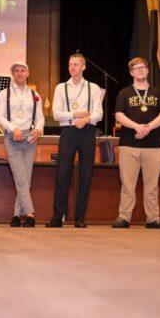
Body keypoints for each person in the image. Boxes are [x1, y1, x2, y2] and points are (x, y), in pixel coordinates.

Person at [46, 53, 104, 228]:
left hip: (88, 132)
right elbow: (56, 114)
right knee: (62, 174)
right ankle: (57, 217)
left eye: (76, 64)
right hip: (68, 132)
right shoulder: (61, 88)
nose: (72, 67)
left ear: (83, 67)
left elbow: (99, 113)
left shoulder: (94, 88)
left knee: (85, 174)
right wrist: (75, 115)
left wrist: (86, 120)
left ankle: (80, 218)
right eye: (70, 64)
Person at [113, 57, 160, 229]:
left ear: (147, 70)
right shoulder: (124, 93)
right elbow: (119, 115)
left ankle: (153, 219)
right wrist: (137, 127)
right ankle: (124, 217)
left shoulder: (158, 93)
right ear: (131, 72)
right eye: (136, 68)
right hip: (129, 145)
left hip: (153, 145)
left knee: (152, 185)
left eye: (142, 67)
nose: (140, 70)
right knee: (127, 184)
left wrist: (148, 128)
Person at [0, 62, 45, 228]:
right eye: (16, 71)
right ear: (13, 74)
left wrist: (38, 129)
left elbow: (40, 118)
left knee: (25, 177)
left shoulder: (35, 94)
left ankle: (16, 215)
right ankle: (30, 214)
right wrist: (13, 128)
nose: (20, 73)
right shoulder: (5, 93)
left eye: (23, 70)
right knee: (20, 176)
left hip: (30, 138)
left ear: (27, 73)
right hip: (12, 137)